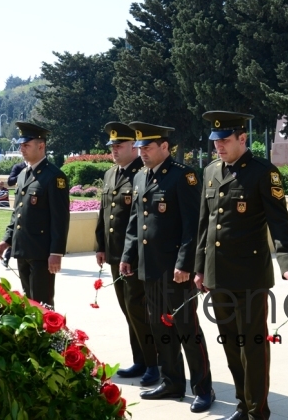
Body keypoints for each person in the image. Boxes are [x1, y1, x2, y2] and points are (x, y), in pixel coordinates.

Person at [195, 111, 288, 420]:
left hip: (250, 276)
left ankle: (257, 411)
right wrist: (200, 268)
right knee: (230, 345)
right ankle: (243, 404)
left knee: (251, 347)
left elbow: (280, 224)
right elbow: (204, 224)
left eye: (225, 141)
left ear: (243, 138)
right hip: (217, 275)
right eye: (215, 142)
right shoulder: (211, 172)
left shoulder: (263, 173)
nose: (219, 147)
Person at [119, 122, 215, 414]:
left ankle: (203, 388)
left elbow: (193, 226)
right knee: (160, 327)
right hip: (150, 269)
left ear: (165, 146)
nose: (142, 153)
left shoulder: (182, 176)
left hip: (176, 271)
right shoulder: (139, 178)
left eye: (147, 147)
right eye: (140, 148)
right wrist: (128, 255)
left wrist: (185, 263)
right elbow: (135, 223)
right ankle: (172, 381)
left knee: (187, 329)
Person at [95, 122, 159, 386]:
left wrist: (130, 255)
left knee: (139, 310)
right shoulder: (112, 174)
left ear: (134, 147)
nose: (114, 150)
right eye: (112, 146)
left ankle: (154, 363)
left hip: (133, 257)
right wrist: (100, 245)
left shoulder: (141, 175)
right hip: (113, 254)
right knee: (128, 309)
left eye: (119, 145)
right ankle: (141, 359)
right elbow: (104, 212)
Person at [0, 122, 70, 308]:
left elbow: (60, 219)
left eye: (26, 145)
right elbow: (17, 213)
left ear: (41, 146)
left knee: (43, 305)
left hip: (42, 253)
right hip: (23, 250)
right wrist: (7, 239)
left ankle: (50, 337)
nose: (22, 149)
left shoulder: (54, 177)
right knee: (28, 304)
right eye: (21, 145)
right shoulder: (22, 175)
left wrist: (56, 252)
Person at [1, 161, 27, 267]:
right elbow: (10, 181)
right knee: (16, 230)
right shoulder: (19, 167)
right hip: (20, 205)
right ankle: (7, 257)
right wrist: (23, 173)